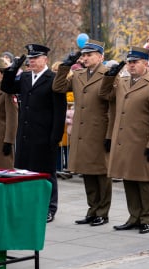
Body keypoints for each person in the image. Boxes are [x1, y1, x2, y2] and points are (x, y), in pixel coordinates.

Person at [99, 47, 149, 234]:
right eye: (129, 62)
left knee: (144, 182)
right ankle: (134, 216)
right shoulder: (122, 81)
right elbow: (105, 95)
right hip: (124, 140)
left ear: (145, 63)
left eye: (135, 62)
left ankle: (147, 218)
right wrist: (109, 77)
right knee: (128, 179)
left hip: (142, 141)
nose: (131, 65)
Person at [1, 43, 67, 223]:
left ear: (45, 59)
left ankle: (49, 208)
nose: (31, 61)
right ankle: (27, 206)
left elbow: (59, 111)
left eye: (35, 58)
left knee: (46, 174)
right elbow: (6, 87)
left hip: (44, 135)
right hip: (25, 135)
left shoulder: (52, 78)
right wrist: (12, 69)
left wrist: (55, 137)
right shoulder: (25, 77)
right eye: (30, 59)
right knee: (24, 172)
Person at [52, 40, 113, 226]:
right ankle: (92, 210)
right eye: (84, 55)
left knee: (101, 173)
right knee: (87, 171)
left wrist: (109, 134)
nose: (85, 58)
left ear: (101, 57)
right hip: (82, 130)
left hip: (99, 130)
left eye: (90, 55)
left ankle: (103, 212)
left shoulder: (108, 75)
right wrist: (66, 66)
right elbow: (58, 87)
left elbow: (111, 104)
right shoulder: (78, 74)